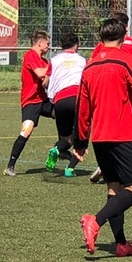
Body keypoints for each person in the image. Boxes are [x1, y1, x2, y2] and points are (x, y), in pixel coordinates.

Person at [74, 18, 132, 257]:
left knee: (114, 188)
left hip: (99, 136)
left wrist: (80, 142)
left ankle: (121, 244)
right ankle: (96, 221)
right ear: (124, 37)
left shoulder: (90, 66)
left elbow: (82, 107)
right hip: (123, 134)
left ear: (100, 38)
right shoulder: (127, 61)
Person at [88, 12, 132, 183]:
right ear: (126, 27)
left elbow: (91, 64)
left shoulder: (102, 45)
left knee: (109, 125)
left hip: (109, 91)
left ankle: (105, 165)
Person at [3, 30, 54, 176]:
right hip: (30, 101)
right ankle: (10, 166)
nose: (49, 46)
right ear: (40, 43)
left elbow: (45, 80)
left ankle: (62, 148)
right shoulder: (30, 55)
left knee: (62, 114)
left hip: (43, 100)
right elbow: (40, 73)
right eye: (47, 43)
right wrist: (54, 67)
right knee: (26, 131)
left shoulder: (44, 61)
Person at [44, 33, 86, 177]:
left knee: (65, 138)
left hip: (60, 100)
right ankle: (70, 168)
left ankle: (57, 149)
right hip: (77, 99)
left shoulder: (54, 60)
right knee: (80, 136)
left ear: (62, 46)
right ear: (76, 45)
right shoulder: (82, 60)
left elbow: (46, 81)